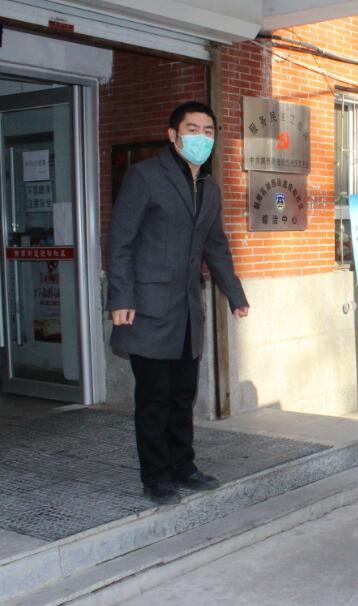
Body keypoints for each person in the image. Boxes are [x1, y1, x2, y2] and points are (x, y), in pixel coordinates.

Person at [107, 101, 250, 506]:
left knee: (182, 395)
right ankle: (156, 476)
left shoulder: (209, 187)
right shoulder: (145, 177)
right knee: (154, 398)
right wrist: (121, 296)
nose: (201, 137)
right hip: (146, 309)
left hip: (188, 310)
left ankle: (183, 466)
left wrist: (234, 294)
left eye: (208, 131)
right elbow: (120, 240)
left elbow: (215, 245)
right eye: (192, 129)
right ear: (173, 135)